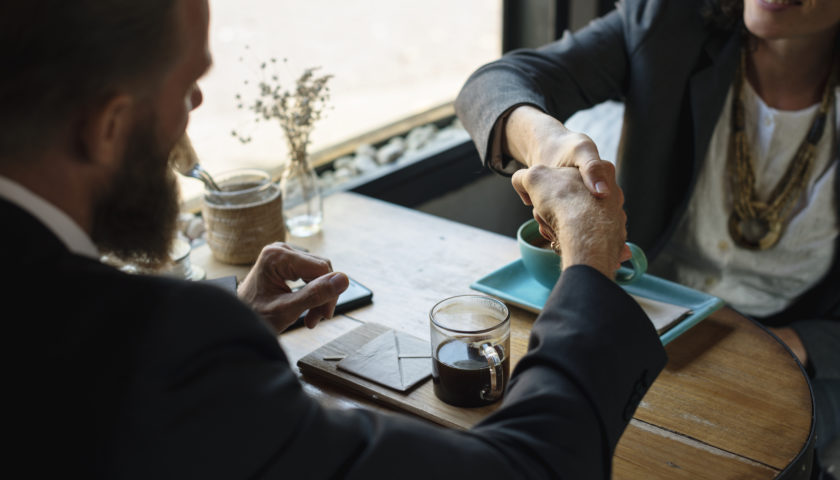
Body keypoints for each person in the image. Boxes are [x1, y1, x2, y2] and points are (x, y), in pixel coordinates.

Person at [0, 0, 667, 478]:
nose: (190, 117)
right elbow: (528, 467)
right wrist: (588, 258)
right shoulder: (155, 353)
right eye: (189, 88)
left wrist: (231, 321)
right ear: (108, 125)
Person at [455, 0, 839, 461]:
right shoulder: (670, 22)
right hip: (646, 329)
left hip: (797, 360)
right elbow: (490, 86)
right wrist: (547, 141)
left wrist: (801, 344)